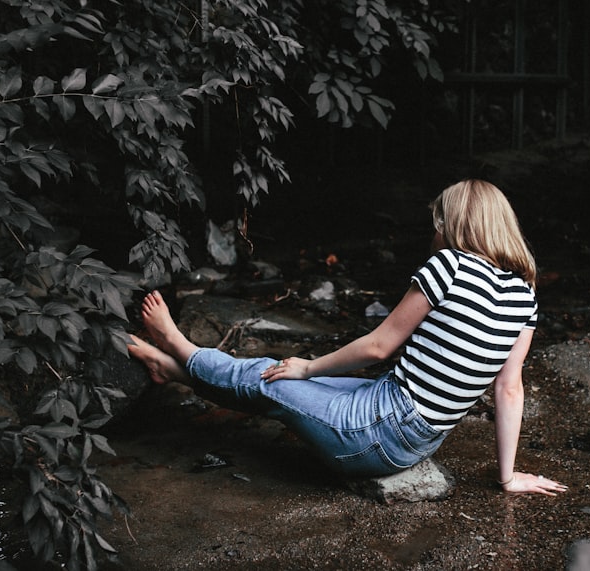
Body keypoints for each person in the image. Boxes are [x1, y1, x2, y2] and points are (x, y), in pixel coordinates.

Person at [127, 179, 567, 496]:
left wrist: (310, 365)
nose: (434, 233)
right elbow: (509, 388)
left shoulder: (449, 265)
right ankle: (175, 371)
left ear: (454, 225)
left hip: (377, 431)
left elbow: (379, 345)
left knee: (272, 376)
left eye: (438, 222)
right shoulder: (523, 293)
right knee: (284, 384)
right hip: (415, 437)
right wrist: (507, 478)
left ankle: (179, 345)